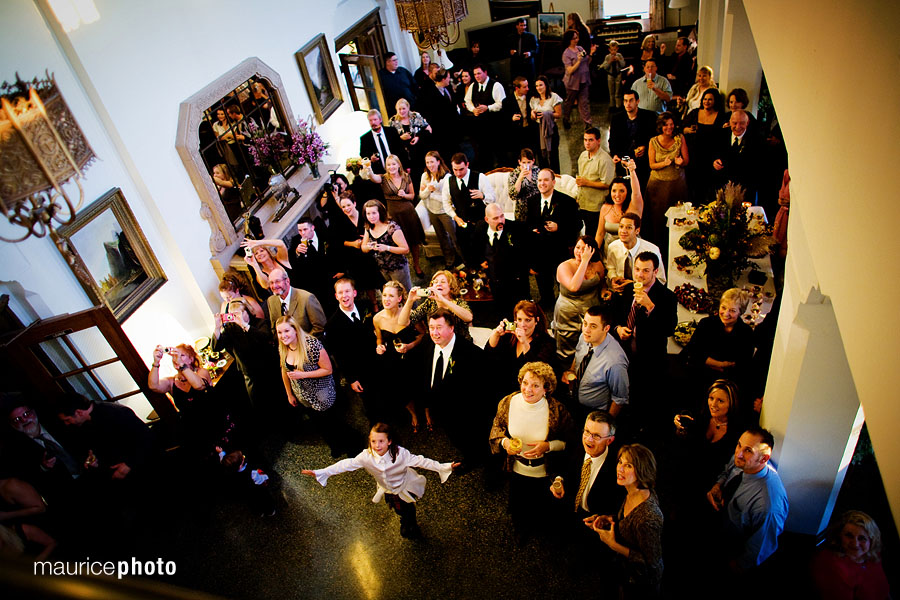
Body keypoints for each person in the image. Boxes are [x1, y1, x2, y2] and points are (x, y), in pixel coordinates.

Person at [302, 423, 458, 539]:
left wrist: (444, 467)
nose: (377, 446)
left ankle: (412, 524)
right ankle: (405, 520)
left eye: (381, 441)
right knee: (398, 509)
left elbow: (422, 462)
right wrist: (322, 472)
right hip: (388, 490)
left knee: (409, 508)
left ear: (389, 441)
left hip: (404, 486)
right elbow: (346, 465)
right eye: (373, 441)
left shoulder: (401, 454)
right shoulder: (366, 456)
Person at [489, 361, 572, 541]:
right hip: (516, 469)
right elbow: (496, 429)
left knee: (540, 508)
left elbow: (570, 442)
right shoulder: (509, 402)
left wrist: (548, 446)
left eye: (535, 385)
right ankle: (520, 529)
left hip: (544, 472)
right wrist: (505, 444)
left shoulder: (557, 410)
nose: (528, 389)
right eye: (525, 383)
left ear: (546, 389)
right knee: (518, 506)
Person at [610, 251, 677, 433]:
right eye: (637, 269)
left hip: (650, 357)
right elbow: (613, 315)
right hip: (623, 353)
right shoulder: (626, 290)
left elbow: (669, 328)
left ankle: (643, 427)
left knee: (645, 396)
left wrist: (650, 307)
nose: (640, 274)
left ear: (655, 271)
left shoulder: (667, 297)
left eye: (645, 271)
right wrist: (618, 329)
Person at [706, 427, 789, 571]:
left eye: (748, 450)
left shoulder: (767, 503)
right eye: (739, 445)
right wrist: (717, 486)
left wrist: (737, 566)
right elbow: (727, 471)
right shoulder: (745, 462)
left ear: (764, 459)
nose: (738, 453)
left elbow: (760, 547)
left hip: (732, 548)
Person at [589, 444, 664, 597]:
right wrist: (608, 519)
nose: (620, 469)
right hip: (624, 571)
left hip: (640, 584)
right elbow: (629, 521)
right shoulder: (633, 491)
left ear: (642, 470)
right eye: (620, 462)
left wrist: (612, 544)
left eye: (628, 465)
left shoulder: (648, 517)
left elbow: (652, 563)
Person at [416, 309, 486, 471]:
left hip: (463, 413)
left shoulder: (470, 354)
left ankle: (474, 459)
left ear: (452, 327)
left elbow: (479, 389)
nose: (434, 333)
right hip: (440, 409)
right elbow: (425, 374)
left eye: (439, 327)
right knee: (455, 438)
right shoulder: (427, 343)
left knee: (469, 441)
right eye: (431, 327)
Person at [276, 315, 355, 458]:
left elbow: (328, 369)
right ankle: (334, 445)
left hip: (322, 393)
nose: (283, 336)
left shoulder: (311, 345)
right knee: (320, 424)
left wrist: (303, 375)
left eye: (286, 331)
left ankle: (352, 445)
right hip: (304, 397)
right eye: (279, 332)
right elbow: (284, 370)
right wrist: (289, 394)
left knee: (333, 422)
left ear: (295, 330)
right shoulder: (283, 348)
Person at [670, 379, 744, 512]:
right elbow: (682, 444)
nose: (713, 404)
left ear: (731, 404)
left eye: (720, 401)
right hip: (684, 478)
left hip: (710, 486)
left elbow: (733, 466)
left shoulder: (737, 432)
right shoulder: (701, 417)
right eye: (711, 398)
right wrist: (679, 427)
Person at [55, 393, 157, 485]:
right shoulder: (82, 427)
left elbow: (146, 438)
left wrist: (129, 464)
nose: (67, 424)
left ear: (79, 412)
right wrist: (93, 461)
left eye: (68, 420)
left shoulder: (116, 413)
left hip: (147, 471)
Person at [549, 411, 623, 521]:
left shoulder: (618, 467)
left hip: (594, 522)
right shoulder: (575, 445)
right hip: (566, 513)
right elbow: (560, 467)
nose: (589, 439)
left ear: (609, 440)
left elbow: (617, 505)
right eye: (587, 432)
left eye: (596, 436)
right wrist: (559, 480)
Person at [214, 298, 284, 412]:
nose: (239, 317)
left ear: (248, 311)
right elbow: (216, 347)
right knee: (260, 407)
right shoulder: (231, 329)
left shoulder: (260, 323)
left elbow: (265, 338)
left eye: (241, 313)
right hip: (251, 376)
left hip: (269, 370)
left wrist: (245, 326)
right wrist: (217, 328)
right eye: (235, 315)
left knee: (279, 400)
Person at [526, 168, 582, 311]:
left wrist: (559, 227)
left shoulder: (567, 201)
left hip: (560, 250)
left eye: (545, 180)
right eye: (539, 180)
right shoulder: (532, 201)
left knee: (563, 285)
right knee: (543, 284)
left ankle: (567, 306)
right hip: (540, 251)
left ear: (553, 182)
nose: (542, 183)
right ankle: (547, 304)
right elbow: (528, 224)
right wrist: (532, 230)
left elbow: (577, 224)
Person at [683, 288, 754, 398]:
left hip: (726, 386)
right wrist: (722, 365)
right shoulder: (706, 324)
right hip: (698, 377)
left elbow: (743, 367)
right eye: (723, 307)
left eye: (732, 310)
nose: (726, 314)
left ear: (741, 312)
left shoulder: (746, 333)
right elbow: (692, 353)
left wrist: (708, 361)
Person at [373, 281, 426, 430]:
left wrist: (409, 346)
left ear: (400, 299)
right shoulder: (377, 318)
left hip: (413, 356)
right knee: (401, 388)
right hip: (393, 359)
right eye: (384, 295)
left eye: (391, 296)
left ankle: (427, 411)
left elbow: (423, 335)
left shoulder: (410, 314)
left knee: (419, 384)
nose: (386, 299)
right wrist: (379, 346)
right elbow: (379, 338)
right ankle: (413, 413)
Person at [324, 278, 379, 421]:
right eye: (340, 293)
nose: (344, 295)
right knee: (370, 402)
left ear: (354, 293)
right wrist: (352, 379)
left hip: (377, 360)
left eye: (347, 291)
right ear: (336, 296)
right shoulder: (332, 325)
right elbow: (339, 355)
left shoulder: (365, 306)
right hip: (359, 370)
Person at [564, 305, 629, 419]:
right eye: (585, 324)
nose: (586, 330)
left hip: (594, 413)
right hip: (573, 400)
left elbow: (619, 399)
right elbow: (578, 356)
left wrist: (606, 423)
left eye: (593, 326)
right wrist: (571, 370)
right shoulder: (585, 337)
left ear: (606, 328)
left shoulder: (615, 362)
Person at [366, 154, 425, 277]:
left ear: (398, 165)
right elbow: (372, 178)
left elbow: (413, 195)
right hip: (394, 214)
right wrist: (369, 168)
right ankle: (404, 266)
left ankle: (416, 265)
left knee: (414, 240)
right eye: (388, 165)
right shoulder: (383, 178)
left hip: (409, 212)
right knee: (397, 242)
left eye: (393, 164)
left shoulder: (406, 176)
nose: (391, 167)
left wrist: (404, 195)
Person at [810, 510, 891, 600]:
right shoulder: (827, 562)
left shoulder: (873, 556)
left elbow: (884, 593)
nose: (855, 544)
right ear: (839, 536)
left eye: (862, 538)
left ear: (872, 540)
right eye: (849, 536)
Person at [472, 203, 531, 316]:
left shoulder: (516, 228)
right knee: (502, 309)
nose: (501, 220)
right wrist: (480, 260)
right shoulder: (480, 227)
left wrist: (530, 268)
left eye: (502, 216)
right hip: (495, 279)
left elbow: (529, 249)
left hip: (515, 279)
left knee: (522, 310)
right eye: (495, 218)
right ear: (486, 219)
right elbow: (474, 246)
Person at [485, 300, 557, 392]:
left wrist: (524, 343)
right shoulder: (509, 337)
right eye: (519, 319)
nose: (523, 325)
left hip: (526, 391)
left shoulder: (547, 343)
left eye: (528, 320)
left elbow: (536, 372)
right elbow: (488, 357)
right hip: (501, 384)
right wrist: (495, 334)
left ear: (536, 321)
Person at [554, 236, 605, 363]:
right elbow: (573, 286)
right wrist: (584, 261)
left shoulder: (597, 265)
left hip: (591, 312)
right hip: (568, 315)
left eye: (584, 249)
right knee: (567, 350)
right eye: (578, 247)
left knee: (589, 346)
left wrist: (604, 291)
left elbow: (602, 281)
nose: (579, 251)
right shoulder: (564, 267)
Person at [645, 111, 689, 252]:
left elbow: (686, 160)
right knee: (657, 219)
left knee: (677, 217)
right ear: (660, 126)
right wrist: (664, 163)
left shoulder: (679, 138)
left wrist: (680, 162)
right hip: (657, 186)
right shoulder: (653, 141)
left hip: (676, 185)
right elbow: (651, 164)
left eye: (671, 124)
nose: (669, 127)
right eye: (666, 125)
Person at [442, 152, 496, 266]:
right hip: (462, 225)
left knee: (484, 254)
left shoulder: (480, 177)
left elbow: (493, 198)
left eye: (461, 169)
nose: (458, 173)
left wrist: (483, 196)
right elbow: (446, 203)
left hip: (481, 224)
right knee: (467, 253)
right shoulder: (448, 181)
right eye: (455, 170)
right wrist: (455, 217)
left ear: (467, 164)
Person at [329, 191, 384, 301]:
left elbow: (378, 228)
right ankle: (374, 303)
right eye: (343, 206)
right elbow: (337, 241)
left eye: (348, 205)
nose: (346, 208)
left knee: (381, 279)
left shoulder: (366, 216)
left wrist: (368, 239)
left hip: (373, 253)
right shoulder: (339, 222)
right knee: (366, 282)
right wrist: (352, 244)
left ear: (354, 203)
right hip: (355, 257)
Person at [401, 270, 474, 341]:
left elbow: (469, 318)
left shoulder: (458, 302)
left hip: (460, 343)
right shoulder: (429, 303)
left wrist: (443, 300)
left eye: (443, 282)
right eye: (435, 282)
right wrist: (410, 300)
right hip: (438, 343)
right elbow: (403, 322)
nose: (438, 284)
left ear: (451, 287)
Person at [682, 88, 727, 202]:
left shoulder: (721, 116)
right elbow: (682, 128)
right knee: (692, 186)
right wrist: (687, 130)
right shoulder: (694, 113)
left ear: (715, 101)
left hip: (710, 157)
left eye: (710, 99)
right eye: (705, 99)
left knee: (708, 188)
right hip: (693, 155)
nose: (707, 102)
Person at [420, 151, 463, 269]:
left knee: (455, 237)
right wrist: (429, 190)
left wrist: (430, 192)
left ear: (438, 162)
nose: (430, 165)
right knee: (442, 238)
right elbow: (422, 196)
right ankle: (449, 261)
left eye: (432, 162)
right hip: (432, 211)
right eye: (427, 162)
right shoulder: (425, 176)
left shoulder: (447, 177)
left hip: (445, 212)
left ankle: (464, 260)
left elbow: (446, 199)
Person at [360, 199, 413, 291]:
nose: (371, 217)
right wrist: (369, 247)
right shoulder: (368, 227)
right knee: (393, 294)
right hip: (382, 268)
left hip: (397, 268)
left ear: (380, 212)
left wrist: (387, 248)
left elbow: (405, 249)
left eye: (374, 213)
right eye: (368, 214)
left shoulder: (392, 228)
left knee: (405, 293)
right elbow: (363, 248)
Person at [287, 217, 337, 315]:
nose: (302, 233)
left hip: (331, 275)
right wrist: (297, 252)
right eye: (300, 230)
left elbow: (335, 250)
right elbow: (292, 263)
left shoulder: (323, 234)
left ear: (312, 228)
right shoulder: (296, 241)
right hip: (314, 281)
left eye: (305, 229)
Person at [605, 212, 665, 291]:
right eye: (621, 226)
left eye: (629, 228)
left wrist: (634, 285)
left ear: (637, 231)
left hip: (644, 293)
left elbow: (661, 279)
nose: (623, 231)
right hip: (619, 292)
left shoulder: (652, 250)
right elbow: (611, 267)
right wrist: (613, 278)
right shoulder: (613, 247)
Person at [609, 91, 657, 186]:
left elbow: (655, 138)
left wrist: (645, 147)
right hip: (624, 162)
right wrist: (614, 155)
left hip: (643, 162)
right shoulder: (616, 119)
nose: (628, 104)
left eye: (631, 100)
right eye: (625, 101)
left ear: (637, 101)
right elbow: (612, 140)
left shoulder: (649, 117)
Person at [712, 109, 761, 205]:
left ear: (747, 123)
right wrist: (714, 162)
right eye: (734, 123)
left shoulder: (757, 140)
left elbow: (758, 167)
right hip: (722, 188)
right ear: (729, 122)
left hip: (745, 190)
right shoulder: (720, 135)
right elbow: (712, 154)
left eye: (742, 123)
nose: (738, 127)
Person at [576, 127, 616, 240]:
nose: (587, 143)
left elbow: (607, 184)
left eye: (590, 140)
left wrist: (587, 183)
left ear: (598, 141)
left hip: (595, 206)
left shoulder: (605, 160)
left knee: (593, 235)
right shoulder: (583, 156)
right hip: (583, 202)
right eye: (585, 140)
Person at [464, 64, 506, 171]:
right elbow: (467, 101)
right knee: (482, 153)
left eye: (479, 73)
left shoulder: (496, 85)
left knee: (496, 152)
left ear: (485, 72)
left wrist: (488, 108)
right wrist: (473, 109)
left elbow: (501, 104)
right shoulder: (473, 86)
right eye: (475, 74)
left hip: (493, 125)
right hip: (479, 126)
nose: (477, 76)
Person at [265, 267, 327, 339]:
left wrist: (301, 343)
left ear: (287, 281)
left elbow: (320, 327)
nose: (274, 286)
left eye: (278, 281)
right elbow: (274, 329)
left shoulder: (307, 298)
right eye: (271, 283)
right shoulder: (271, 301)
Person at [596, 159, 643, 249]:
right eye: (614, 191)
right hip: (610, 250)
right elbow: (600, 233)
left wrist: (632, 171)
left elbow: (636, 192)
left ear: (627, 192)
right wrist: (594, 255)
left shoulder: (634, 206)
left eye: (622, 191)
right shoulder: (605, 208)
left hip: (630, 248)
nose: (617, 195)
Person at [418, 69, 459, 164]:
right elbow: (430, 113)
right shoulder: (431, 93)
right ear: (443, 79)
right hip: (442, 131)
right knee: (447, 155)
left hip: (453, 128)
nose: (450, 79)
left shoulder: (448, 89)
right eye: (448, 78)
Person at [388, 98, 432, 185]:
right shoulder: (393, 121)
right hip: (404, 155)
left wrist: (418, 137)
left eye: (403, 108)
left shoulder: (416, 116)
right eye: (399, 109)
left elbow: (428, 130)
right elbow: (390, 140)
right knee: (412, 179)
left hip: (420, 151)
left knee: (425, 175)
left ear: (408, 107)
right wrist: (401, 138)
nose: (401, 111)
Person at [561, 29, 598, 130]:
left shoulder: (580, 49)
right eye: (574, 38)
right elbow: (570, 70)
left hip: (584, 79)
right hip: (572, 82)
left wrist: (591, 53)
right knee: (569, 102)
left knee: (584, 102)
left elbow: (587, 62)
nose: (576, 40)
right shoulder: (566, 53)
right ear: (569, 40)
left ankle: (587, 122)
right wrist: (578, 61)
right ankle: (566, 118)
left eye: (577, 37)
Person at [529, 75, 563, 174]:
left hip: (550, 129)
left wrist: (547, 114)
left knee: (553, 156)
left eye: (541, 85)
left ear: (546, 85)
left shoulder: (554, 97)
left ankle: (556, 176)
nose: (539, 88)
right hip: (538, 129)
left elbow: (559, 114)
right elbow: (532, 115)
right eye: (536, 86)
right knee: (541, 155)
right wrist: (533, 115)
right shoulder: (534, 99)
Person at [502, 77, 539, 164]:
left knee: (532, 155)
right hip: (517, 133)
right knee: (518, 156)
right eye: (525, 87)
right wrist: (511, 118)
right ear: (517, 88)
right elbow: (503, 118)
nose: (527, 89)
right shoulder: (507, 101)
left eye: (527, 86)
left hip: (530, 131)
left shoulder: (531, 97)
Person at [359, 109, 403, 178]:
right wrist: (371, 158)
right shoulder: (365, 139)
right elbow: (363, 155)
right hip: (380, 174)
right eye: (370, 120)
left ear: (380, 120)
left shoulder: (391, 131)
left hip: (397, 170)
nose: (373, 122)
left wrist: (407, 167)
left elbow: (401, 149)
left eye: (375, 119)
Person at [508, 148, 541, 223]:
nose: (526, 165)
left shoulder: (537, 171)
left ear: (533, 161)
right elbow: (512, 195)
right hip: (522, 210)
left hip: (537, 207)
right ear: (519, 162)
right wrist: (520, 178)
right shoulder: (514, 174)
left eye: (529, 162)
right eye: (524, 162)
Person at [508, 17, 538, 81]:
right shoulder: (511, 37)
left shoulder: (531, 37)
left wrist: (530, 53)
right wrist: (510, 52)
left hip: (527, 66)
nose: (523, 27)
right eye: (521, 25)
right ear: (517, 26)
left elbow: (536, 49)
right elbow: (506, 50)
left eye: (524, 25)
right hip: (516, 66)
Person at [599, 41, 627, 109]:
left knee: (618, 91)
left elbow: (623, 64)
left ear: (617, 49)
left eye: (615, 50)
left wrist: (619, 60)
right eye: (612, 50)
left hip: (618, 75)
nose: (613, 51)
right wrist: (610, 61)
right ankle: (612, 105)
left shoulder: (619, 55)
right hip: (610, 75)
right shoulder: (607, 57)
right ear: (609, 50)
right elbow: (605, 67)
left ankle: (618, 105)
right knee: (611, 92)